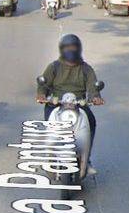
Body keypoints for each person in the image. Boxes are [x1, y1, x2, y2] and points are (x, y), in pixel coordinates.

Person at [36, 34, 104, 167]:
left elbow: (92, 85)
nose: (71, 50)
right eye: (67, 48)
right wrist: (41, 95)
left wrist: (96, 97)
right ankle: (51, 153)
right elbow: (43, 84)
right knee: (50, 125)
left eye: (73, 47)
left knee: (92, 122)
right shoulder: (54, 67)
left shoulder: (86, 68)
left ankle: (86, 155)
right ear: (61, 49)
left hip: (79, 105)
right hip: (55, 103)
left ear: (79, 49)